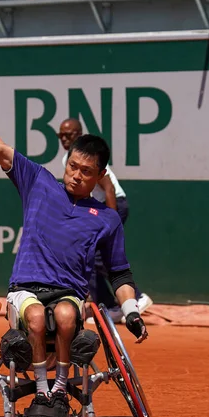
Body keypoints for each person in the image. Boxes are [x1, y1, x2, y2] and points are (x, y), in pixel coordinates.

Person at [0, 100, 148, 417]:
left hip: (68, 296)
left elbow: (119, 273)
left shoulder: (107, 219)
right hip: (25, 290)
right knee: (34, 317)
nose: (76, 175)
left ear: (101, 176)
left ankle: (59, 390)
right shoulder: (38, 182)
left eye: (86, 171)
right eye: (73, 166)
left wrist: (130, 312)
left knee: (64, 315)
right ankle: (42, 392)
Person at [58, 118, 154, 323]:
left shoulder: (89, 157)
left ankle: (136, 298)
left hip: (113, 205)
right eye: (62, 135)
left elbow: (108, 188)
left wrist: (110, 222)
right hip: (99, 210)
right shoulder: (68, 158)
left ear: (79, 135)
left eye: (70, 134)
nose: (65, 138)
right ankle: (111, 306)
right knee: (90, 259)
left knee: (100, 256)